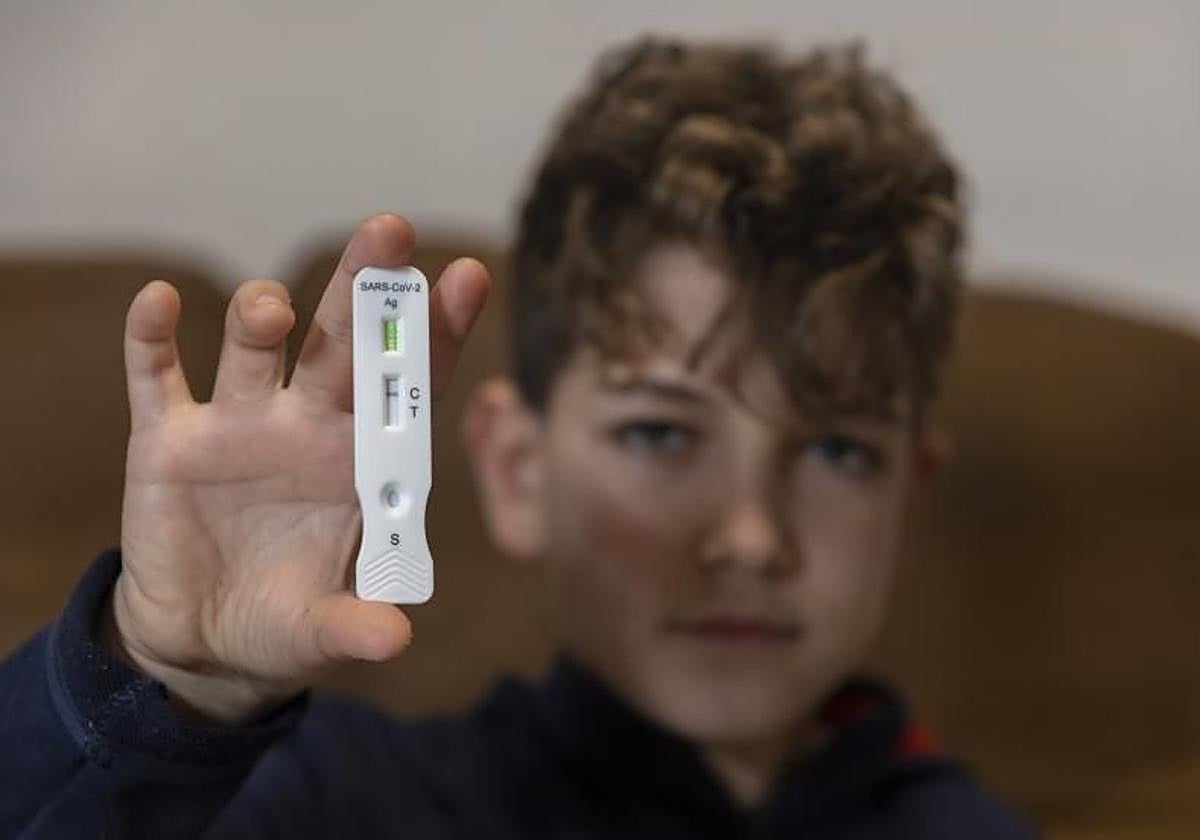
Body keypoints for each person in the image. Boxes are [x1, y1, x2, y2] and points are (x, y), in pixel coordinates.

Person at [0, 37, 1034, 838]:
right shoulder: (345, 801)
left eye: (839, 452)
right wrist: (168, 686)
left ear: (909, 495)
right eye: (661, 433)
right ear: (516, 470)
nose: (753, 539)